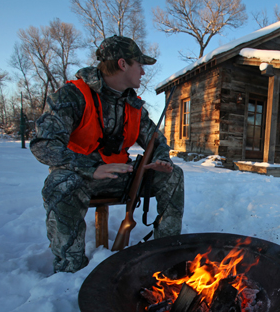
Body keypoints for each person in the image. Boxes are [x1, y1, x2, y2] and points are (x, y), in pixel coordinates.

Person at [31, 35, 184, 273]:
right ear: (123, 64)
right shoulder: (72, 96)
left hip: (122, 178)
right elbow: (43, 145)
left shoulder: (135, 106)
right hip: (82, 178)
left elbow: (157, 141)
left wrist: (160, 160)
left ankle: (165, 254)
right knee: (60, 183)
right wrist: (90, 169)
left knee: (174, 175)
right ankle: (70, 270)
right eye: (139, 65)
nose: (143, 72)